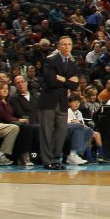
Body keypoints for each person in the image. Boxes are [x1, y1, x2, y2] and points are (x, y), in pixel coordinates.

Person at [40, 37, 79, 170]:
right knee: (47, 131)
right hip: (49, 101)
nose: (67, 47)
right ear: (59, 47)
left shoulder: (72, 64)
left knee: (61, 132)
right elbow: (51, 81)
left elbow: (75, 85)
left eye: (69, 44)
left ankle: (56, 158)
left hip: (62, 102)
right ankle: (47, 160)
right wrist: (67, 81)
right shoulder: (50, 61)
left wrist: (62, 79)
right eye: (64, 44)